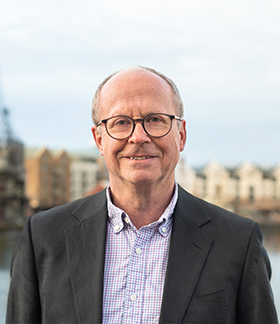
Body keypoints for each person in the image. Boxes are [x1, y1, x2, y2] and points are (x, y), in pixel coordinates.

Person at [6, 66, 278, 324]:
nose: (138, 136)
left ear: (181, 135)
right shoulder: (42, 238)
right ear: (99, 139)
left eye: (155, 120)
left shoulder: (238, 243)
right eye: (121, 122)